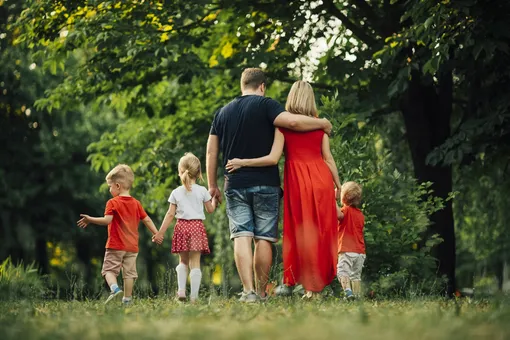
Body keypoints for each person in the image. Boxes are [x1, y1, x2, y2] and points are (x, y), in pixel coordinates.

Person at [206, 68, 332, 303]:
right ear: (262, 86)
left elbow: (212, 150)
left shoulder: (222, 113)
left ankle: (248, 292)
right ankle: (263, 292)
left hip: (235, 184)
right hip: (266, 183)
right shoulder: (267, 105)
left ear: (242, 85)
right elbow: (293, 121)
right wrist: (322, 122)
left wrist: (212, 185)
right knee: (263, 237)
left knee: (241, 235)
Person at [77, 164, 159, 305]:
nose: (109, 189)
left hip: (116, 245)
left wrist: (90, 219)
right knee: (129, 274)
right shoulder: (136, 203)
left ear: (118, 186)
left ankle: (115, 289)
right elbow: (146, 219)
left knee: (108, 270)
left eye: (110, 186)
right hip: (132, 247)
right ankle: (127, 300)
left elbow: (106, 221)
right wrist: (156, 233)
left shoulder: (112, 203)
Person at [152, 153, 216, 303]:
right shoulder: (202, 191)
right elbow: (210, 210)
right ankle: (194, 297)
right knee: (195, 263)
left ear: (180, 171)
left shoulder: (176, 192)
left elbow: (169, 214)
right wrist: (213, 200)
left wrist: (160, 232)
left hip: (181, 227)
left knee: (183, 261)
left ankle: (181, 290)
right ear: (199, 172)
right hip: (196, 227)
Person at [336, 181, 365, 300]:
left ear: (344, 197)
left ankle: (348, 293)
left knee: (342, 272)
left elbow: (338, 215)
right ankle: (357, 296)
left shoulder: (345, 211)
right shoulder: (361, 215)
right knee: (355, 276)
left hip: (347, 250)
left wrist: (332, 199)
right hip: (360, 252)